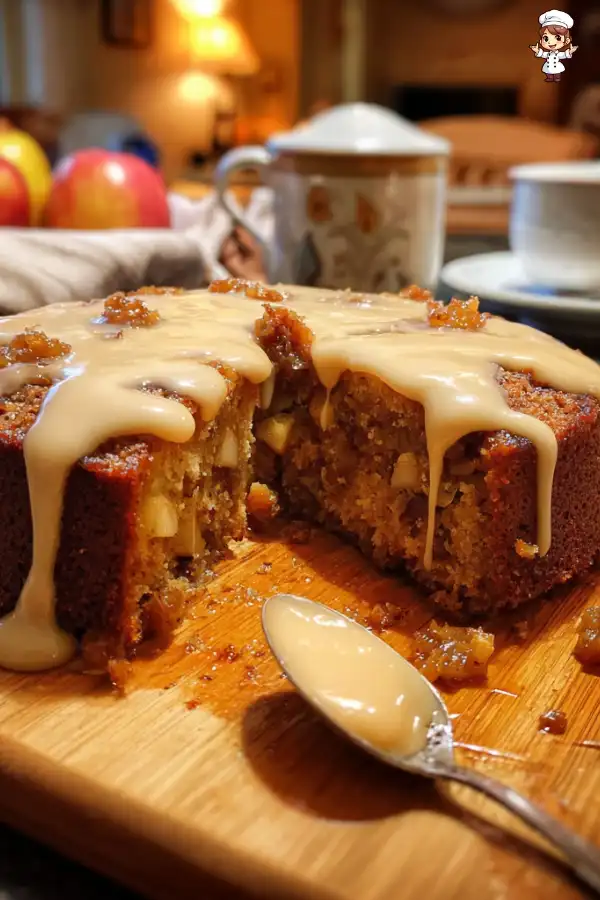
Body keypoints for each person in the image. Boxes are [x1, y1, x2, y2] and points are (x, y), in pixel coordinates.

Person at [530, 9, 578, 82]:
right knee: (548, 72)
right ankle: (549, 77)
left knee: (557, 72)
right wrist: (537, 51)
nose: (551, 42)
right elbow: (543, 54)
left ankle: (557, 77)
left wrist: (570, 52)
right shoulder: (547, 53)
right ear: (541, 41)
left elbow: (564, 55)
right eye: (546, 38)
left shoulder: (559, 54)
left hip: (556, 66)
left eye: (558, 38)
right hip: (548, 66)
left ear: (566, 41)